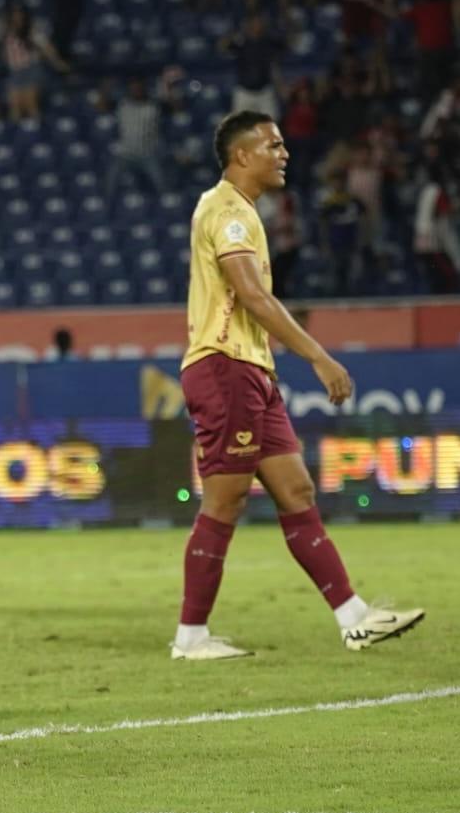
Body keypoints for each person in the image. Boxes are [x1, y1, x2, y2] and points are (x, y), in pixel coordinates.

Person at [171, 110, 424, 661]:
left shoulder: (242, 213)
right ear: (243, 156)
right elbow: (254, 297)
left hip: (252, 370)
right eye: (273, 145)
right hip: (224, 365)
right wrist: (319, 356)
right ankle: (191, 637)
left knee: (297, 491)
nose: (284, 154)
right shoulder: (226, 211)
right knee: (225, 499)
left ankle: (354, 618)